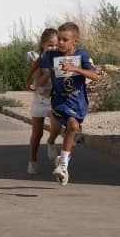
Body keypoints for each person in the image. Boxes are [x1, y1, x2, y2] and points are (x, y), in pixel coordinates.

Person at [37, 22, 100, 185]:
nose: (60, 42)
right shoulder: (51, 56)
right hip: (60, 102)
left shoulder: (82, 56)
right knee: (72, 125)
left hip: (78, 103)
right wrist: (36, 81)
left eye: (65, 39)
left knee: (73, 137)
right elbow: (38, 65)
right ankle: (63, 166)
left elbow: (95, 76)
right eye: (59, 38)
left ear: (74, 41)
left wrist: (76, 69)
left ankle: (62, 161)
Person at [27, 28, 61, 175]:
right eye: (50, 45)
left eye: (56, 45)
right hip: (39, 101)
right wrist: (50, 71)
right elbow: (39, 82)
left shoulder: (61, 59)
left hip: (54, 99)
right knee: (37, 134)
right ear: (43, 45)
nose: (53, 48)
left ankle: (51, 141)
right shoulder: (39, 60)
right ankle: (32, 160)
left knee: (57, 126)